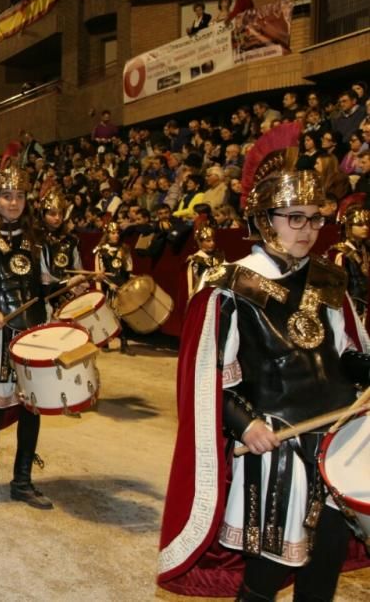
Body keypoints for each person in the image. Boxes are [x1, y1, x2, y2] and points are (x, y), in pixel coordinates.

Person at [158, 122, 370, 600]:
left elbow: (346, 355)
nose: (308, 230)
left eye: (316, 218)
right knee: (268, 574)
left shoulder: (329, 280)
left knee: (325, 566)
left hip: (335, 445)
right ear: (263, 218)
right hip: (276, 451)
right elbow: (211, 379)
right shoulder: (230, 286)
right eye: (294, 217)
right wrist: (244, 424)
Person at [0, 162, 81, 510]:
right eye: (6, 196)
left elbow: (44, 286)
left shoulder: (36, 241)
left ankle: (23, 481)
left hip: (33, 336)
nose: (13, 203)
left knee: (32, 410)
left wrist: (68, 287)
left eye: (19, 196)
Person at [39, 189, 85, 311]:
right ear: (43, 214)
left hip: (69, 292)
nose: (57, 218)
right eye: (52, 214)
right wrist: (65, 284)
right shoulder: (37, 240)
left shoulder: (71, 240)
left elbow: (77, 268)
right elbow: (44, 277)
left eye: (60, 213)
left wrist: (81, 279)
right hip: (46, 295)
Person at [93, 220, 133, 352]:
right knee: (108, 314)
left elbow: (128, 269)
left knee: (122, 315)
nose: (116, 235)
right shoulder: (101, 251)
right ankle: (105, 341)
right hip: (108, 286)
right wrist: (109, 285)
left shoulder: (124, 249)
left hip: (122, 286)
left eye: (117, 233)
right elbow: (99, 273)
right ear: (107, 234)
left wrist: (128, 284)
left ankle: (124, 342)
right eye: (113, 233)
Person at [328, 206, 370, 319]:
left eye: (367, 224)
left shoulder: (364, 249)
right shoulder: (341, 252)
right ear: (348, 227)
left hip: (365, 302)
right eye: (360, 225)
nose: (365, 227)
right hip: (351, 305)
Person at [184, 223, 224, 299]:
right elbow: (191, 283)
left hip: (220, 292)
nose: (212, 243)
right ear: (200, 242)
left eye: (213, 240)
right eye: (208, 241)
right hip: (204, 295)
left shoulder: (219, 255)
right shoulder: (195, 260)